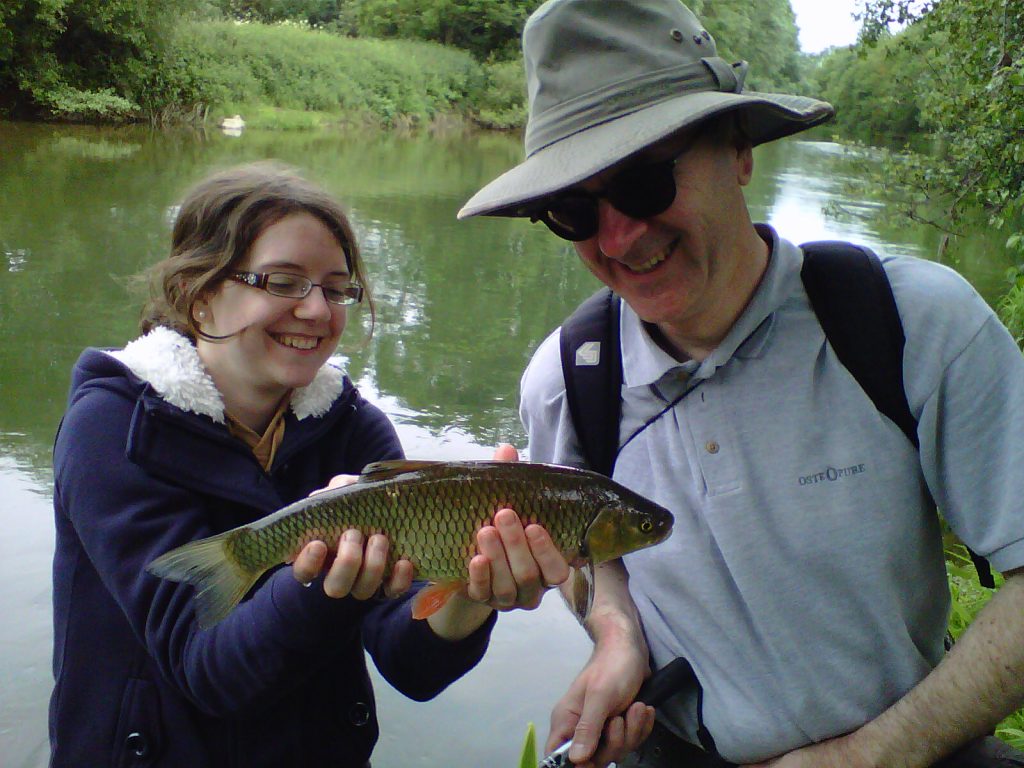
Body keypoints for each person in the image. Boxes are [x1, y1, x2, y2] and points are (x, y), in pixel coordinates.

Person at [458, 1, 1024, 767]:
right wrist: (617, 632)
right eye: (572, 210)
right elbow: (595, 556)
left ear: (738, 152)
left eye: (645, 182)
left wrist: (870, 755)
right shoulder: (566, 381)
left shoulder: (913, 324)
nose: (619, 236)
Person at [49, 161, 567, 767]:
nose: (318, 310)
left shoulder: (353, 430)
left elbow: (412, 667)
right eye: (283, 282)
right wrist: (325, 579)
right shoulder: (114, 429)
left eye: (336, 287)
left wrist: (473, 591)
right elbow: (206, 669)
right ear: (199, 294)